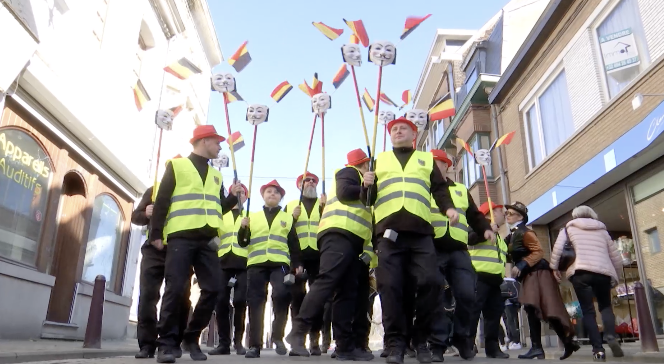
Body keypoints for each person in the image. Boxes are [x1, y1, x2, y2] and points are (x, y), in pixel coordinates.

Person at [366, 118, 493, 364]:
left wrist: (448, 209)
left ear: (414, 134)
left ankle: (420, 339)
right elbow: (367, 200)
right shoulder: (378, 160)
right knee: (390, 288)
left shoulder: (424, 160)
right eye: (393, 129)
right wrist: (366, 184)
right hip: (388, 234)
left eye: (403, 128)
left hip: (421, 234)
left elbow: (440, 189)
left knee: (432, 283)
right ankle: (395, 344)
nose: (397, 131)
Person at [150, 125, 243, 363]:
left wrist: (233, 197)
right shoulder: (177, 166)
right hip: (181, 236)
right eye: (217, 142)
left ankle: (190, 337)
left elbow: (218, 207)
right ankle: (166, 344)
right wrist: (156, 234)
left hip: (207, 241)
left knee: (214, 289)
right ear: (203, 141)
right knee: (175, 288)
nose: (220, 146)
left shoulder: (216, 175)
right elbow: (162, 201)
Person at [287, 149, 375, 361]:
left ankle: (344, 346)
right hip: (338, 233)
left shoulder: (368, 183)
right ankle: (298, 331)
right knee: (327, 280)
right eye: (369, 165)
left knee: (347, 292)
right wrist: (364, 185)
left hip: (354, 239)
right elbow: (345, 192)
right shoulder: (349, 172)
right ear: (364, 165)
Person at [424, 149, 493, 362]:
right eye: (432, 164)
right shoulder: (423, 188)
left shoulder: (462, 190)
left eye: (440, 164)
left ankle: (462, 338)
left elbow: (474, 214)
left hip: (458, 250)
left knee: (467, 295)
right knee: (433, 296)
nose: (436, 168)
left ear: (448, 166)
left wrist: (485, 229)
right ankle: (436, 344)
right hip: (432, 248)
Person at [133, 156, 192, 360]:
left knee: (180, 297)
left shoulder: (189, 192)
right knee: (148, 296)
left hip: (180, 249)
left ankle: (171, 343)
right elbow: (135, 216)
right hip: (153, 250)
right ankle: (146, 345)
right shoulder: (154, 189)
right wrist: (146, 212)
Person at [504, 202, 579, 361]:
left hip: (539, 272)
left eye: (510, 213)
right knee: (537, 308)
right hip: (532, 274)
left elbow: (538, 251)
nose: (507, 216)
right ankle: (561, 343)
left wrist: (522, 264)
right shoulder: (513, 234)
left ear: (520, 217)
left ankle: (541, 347)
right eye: (507, 213)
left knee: (540, 307)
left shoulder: (525, 232)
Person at [550, 205, 624, 362]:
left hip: (580, 273)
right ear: (593, 215)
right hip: (603, 273)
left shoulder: (568, 229)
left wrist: (554, 268)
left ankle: (598, 350)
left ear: (574, 215)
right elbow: (615, 256)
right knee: (605, 306)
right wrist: (617, 276)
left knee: (588, 310)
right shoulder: (602, 231)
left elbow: (557, 250)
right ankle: (611, 336)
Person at [238, 179, 302, 359]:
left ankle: (277, 336)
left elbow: (294, 245)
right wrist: (243, 229)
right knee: (256, 303)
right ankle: (254, 345)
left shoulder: (287, 218)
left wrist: (296, 264)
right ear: (263, 196)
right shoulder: (252, 217)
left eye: (276, 192)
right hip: (256, 264)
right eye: (268, 191)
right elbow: (242, 242)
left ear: (281, 197)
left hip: (280, 263)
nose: (272, 194)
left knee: (282, 295)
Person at [285, 172, 326, 356]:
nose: (310, 182)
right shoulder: (292, 206)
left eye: (313, 181)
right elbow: (285, 233)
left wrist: (326, 210)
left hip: (319, 257)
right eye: (306, 181)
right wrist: (291, 219)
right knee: (297, 299)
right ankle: (297, 341)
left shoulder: (324, 204)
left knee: (317, 300)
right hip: (298, 258)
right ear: (299, 185)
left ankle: (315, 340)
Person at [209, 183, 250, 356]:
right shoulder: (221, 215)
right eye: (236, 193)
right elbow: (213, 238)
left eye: (242, 194)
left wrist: (246, 229)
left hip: (243, 263)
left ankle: (238, 342)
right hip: (223, 262)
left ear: (246, 197)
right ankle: (223, 343)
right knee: (221, 302)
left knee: (240, 301)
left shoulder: (250, 216)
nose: (239, 196)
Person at [467, 201, 509, 359]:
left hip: (495, 281)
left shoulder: (498, 236)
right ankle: (468, 345)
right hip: (479, 276)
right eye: (500, 211)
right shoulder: (477, 227)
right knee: (473, 313)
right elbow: (469, 239)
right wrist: (484, 230)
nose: (504, 214)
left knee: (493, 315)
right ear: (490, 213)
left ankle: (493, 348)